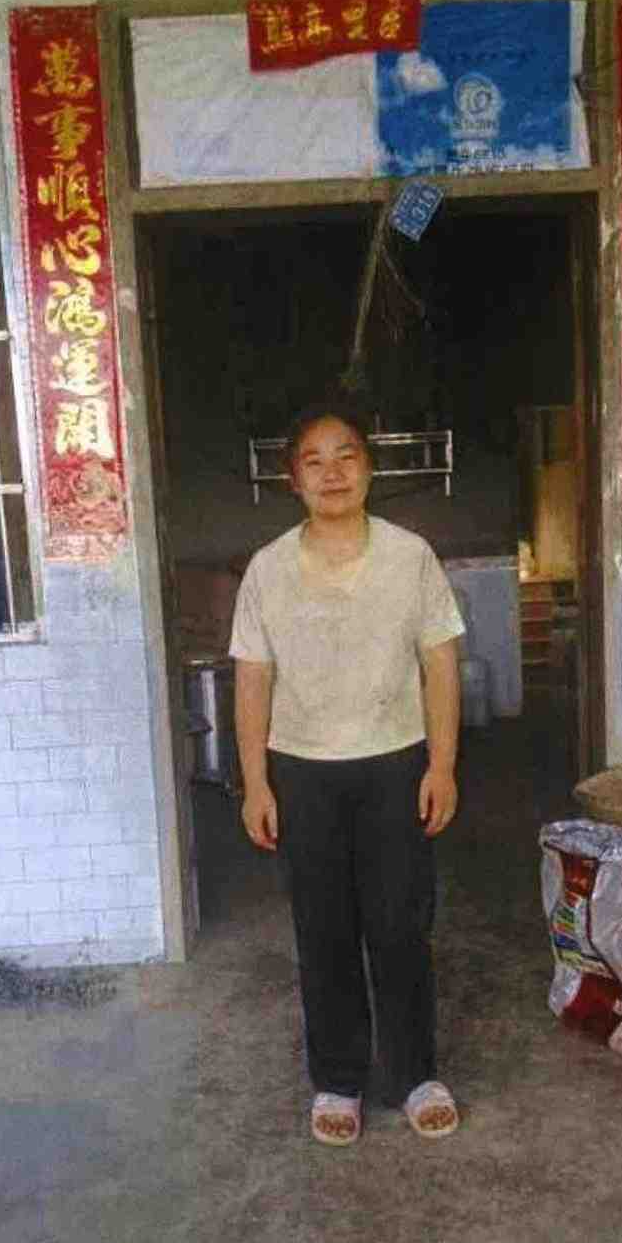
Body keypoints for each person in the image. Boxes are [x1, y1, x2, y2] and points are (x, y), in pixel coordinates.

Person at [229, 402, 465, 1146]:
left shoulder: (410, 556)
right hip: (302, 772)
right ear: (293, 479)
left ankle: (415, 1074)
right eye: (314, 460)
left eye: (347, 456)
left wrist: (443, 765)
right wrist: (256, 782)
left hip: (396, 764)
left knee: (400, 927)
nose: (332, 473)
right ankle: (338, 1079)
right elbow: (252, 679)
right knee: (323, 931)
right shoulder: (268, 568)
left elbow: (440, 664)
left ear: (369, 468)